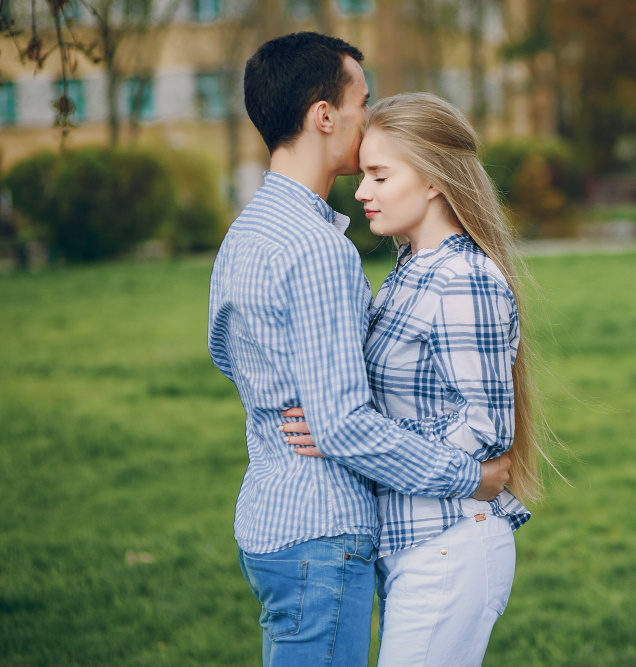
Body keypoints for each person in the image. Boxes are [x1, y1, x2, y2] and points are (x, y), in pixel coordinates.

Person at [207, 33, 510, 667]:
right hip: (320, 525)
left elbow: (226, 353)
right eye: (362, 101)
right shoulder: (319, 248)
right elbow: (342, 423)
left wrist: (316, 413)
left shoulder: (246, 231)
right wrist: (468, 476)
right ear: (324, 115)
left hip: (272, 513)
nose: (369, 119)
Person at [281, 92, 547, 666]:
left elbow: (485, 435)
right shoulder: (408, 271)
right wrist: (341, 427)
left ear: (432, 180)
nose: (360, 191)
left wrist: (344, 440)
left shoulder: (462, 280)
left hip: (450, 543)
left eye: (380, 175)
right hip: (412, 542)